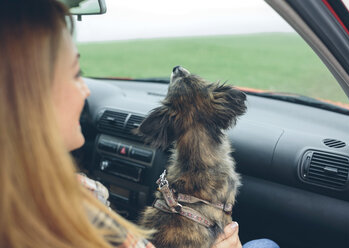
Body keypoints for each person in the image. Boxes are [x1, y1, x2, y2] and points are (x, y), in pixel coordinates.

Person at [0, 0, 279, 247]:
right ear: (28, 97)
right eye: (76, 74)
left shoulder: (24, 199)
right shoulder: (73, 203)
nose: (86, 91)